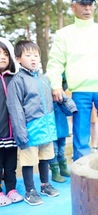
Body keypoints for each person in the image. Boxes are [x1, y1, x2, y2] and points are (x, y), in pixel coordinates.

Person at [46, 0, 98, 161]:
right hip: (80, 91)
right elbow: (55, 63)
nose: (87, 7)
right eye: (83, 4)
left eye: (90, 3)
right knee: (81, 135)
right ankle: (82, 172)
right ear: (73, 6)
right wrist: (56, 85)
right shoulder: (63, 34)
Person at [6, 40, 59, 206]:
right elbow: (15, 108)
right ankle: (30, 190)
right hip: (29, 128)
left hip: (47, 127)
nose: (33, 59)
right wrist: (21, 133)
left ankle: (45, 185)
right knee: (29, 161)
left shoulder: (44, 79)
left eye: (36, 55)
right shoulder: (18, 80)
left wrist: (70, 106)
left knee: (45, 157)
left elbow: (54, 98)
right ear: (18, 58)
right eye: (28, 55)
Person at [0, 39, 23, 206]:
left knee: (10, 164)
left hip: (12, 132)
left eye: (5, 54)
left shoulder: (15, 79)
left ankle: (11, 189)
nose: (2, 57)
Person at [49, 76, 78, 183]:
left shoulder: (61, 100)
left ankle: (63, 168)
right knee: (54, 151)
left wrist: (63, 102)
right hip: (52, 131)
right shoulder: (48, 101)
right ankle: (55, 172)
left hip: (62, 129)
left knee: (61, 150)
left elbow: (69, 111)